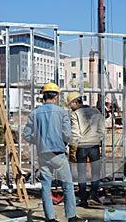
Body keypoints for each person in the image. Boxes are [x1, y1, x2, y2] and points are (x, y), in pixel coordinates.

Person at [23, 83, 87, 222]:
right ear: (56, 96)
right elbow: (67, 135)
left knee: (46, 186)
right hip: (58, 153)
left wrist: (39, 141)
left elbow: (27, 135)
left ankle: (50, 218)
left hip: (43, 154)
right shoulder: (62, 112)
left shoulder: (34, 113)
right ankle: (71, 216)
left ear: (44, 95)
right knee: (67, 185)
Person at [67, 92, 104, 208]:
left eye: (70, 105)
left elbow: (75, 133)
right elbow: (102, 130)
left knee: (82, 174)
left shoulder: (75, 114)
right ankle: (93, 194)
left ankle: (83, 199)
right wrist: (97, 139)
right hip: (94, 145)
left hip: (82, 146)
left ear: (76, 102)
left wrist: (73, 149)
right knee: (96, 173)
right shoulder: (96, 112)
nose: (70, 107)